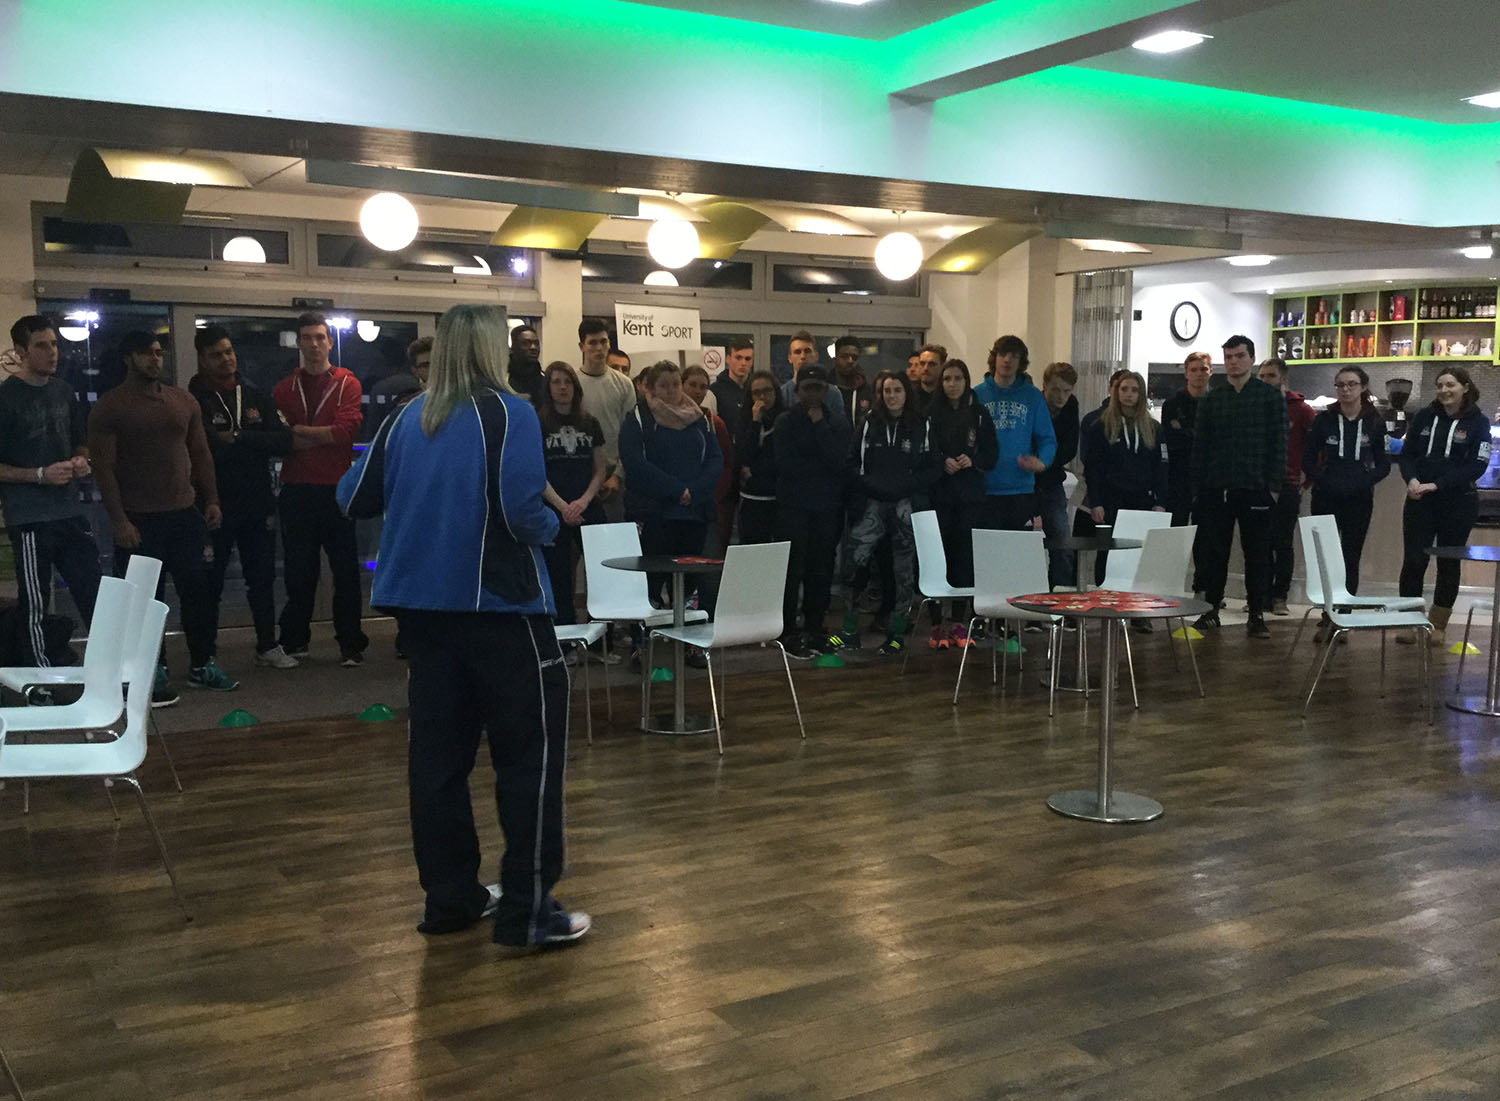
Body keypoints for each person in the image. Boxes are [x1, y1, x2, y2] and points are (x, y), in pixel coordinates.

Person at [337, 303, 588, 950]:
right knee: (528, 762)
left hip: (423, 617)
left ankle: (450, 899)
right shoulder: (512, 412)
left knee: (438, 763)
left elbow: (351, 496)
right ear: (490, 349)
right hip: (502, 611)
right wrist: (551, 527)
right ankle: (528, 912)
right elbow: (520, 510)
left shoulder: (404, 417)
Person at [90, 330, 238, 696]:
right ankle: (151, 669)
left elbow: (200, 454)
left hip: (184, 513)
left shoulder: (182, 401)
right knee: (143, 601)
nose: (155, 359)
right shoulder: (110, 406)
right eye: (146, 353)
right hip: (139, 518)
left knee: (198, 593)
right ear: (129, 358)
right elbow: (104, 468)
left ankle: (202, 663)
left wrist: (212, 499)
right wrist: (119, 520)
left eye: (158, 353)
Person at [189, 324, 298, 670]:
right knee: (210, 583)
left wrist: (239, 437)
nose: (226, 359)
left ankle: (267, 645)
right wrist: (247, 441)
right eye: (216, 355)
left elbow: (284, 441)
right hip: (213, 504)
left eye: (229, 352)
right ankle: (205, 654)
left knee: (262, 579)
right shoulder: (193, 400)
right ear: (202, 359)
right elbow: (205, 447)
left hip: (257, 502)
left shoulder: (254, 395)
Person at [0, 315, 102, 668]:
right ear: (21, 351)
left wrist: (81, 461)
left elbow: (80, 441)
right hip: (29, 516)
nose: (52, 352)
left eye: (55, 344)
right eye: (42, 345)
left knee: (94, 590)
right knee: (35, 601)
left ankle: (107, 669)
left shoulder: (63, 391)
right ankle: (39, 678)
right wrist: (38, 475)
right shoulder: (5, 398)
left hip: (69, 510)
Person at [272, 312, 368, 665]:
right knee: (299, 572)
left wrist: (301, 432)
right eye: (307, 338)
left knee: (346, 571)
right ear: (298, 343)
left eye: (320, 337)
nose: (314, 344)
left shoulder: (347, 383)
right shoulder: (283, 388)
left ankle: (351, 644)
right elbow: (282, 439)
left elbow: (344, 433)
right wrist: (321, 435)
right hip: (297, 489)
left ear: (329, 342)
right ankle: (295, 640)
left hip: (337, 489)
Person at [618, 361, 722, 659]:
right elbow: (635, 464)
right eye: (664, 385)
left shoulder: (699, 418)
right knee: (649, 584)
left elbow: (715, 459)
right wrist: (677, 490)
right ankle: (643, 647)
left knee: (691, 586)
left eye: (675, 384)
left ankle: (691, 644)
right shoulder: (638, 419)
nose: (671, 390)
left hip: (694, 515)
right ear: (649, 389)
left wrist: (694, 491)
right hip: (655, 515)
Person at [1189, 335, 1287, 639]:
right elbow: (1200, 446)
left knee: (1256, 554)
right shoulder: (1213, 398)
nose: (1233, 362)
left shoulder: (1269, 396)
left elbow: (1279, 444)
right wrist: (1199, 487)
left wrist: (1273, 487)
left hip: (1256, 487)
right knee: (1214, 552)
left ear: (1251, 359)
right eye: (1228, 357)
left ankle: (1256, 614)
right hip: (1216, 487)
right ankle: (1211, 611)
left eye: (1239, 356)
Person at [842, 371, 935, 655]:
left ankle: (897, 635)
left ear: (906, 393)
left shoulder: (921, 424)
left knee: (903, 573)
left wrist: (908, 486)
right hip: (872, 504)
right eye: (886, 391)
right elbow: (852, 462)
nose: (892, 396)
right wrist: (869, 486)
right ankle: (849, 631)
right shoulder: (869, 422)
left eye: (897, 390)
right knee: (854, 565)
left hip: (905, 505)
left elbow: (932, 467)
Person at [1396, 367, 1490, 647]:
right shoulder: (1424, 416)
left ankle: (1438, 624)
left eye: (1450, 385)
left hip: (1458, 503)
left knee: (1448, 562)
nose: (1444, 390)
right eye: (1440, 385)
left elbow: (1477, 465)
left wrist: (1437, 485)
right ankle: (1409, 620)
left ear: (1465, 387)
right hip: (1419, 501)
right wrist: (1411, 479)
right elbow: (1407, 455)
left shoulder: (1479, 422)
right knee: (1414, 560)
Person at [774, 363, 850, 658]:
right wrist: (819, 460)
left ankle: (815, 627)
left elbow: (838, 462)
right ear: (797, 391)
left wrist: (819, 427)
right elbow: (785, 464)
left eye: (819, 388)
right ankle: (788, 629)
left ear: (826, 390)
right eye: (807, 388)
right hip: (793, 507)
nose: (813, 394)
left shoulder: (837, 422)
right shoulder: (785, 421)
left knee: (821, 569)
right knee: (791, 570)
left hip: (826, 507)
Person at [1302, 365, 1390, 596]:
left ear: (1363, 387)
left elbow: (1384, 465)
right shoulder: (1324, 420)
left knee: (1351, 555)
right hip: (1325, 496)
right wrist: (1323, 480)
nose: (1345, 389)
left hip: (1359, 498)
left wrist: (1364, 481)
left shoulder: (1375, 422)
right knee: (1325, 555)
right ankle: (1326, 608)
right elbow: (1307, 459)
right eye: (1340, 385)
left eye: (1352, 384)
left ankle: (1346, 606)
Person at [927, 359, 997, 647]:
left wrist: (973, 460)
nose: (952, 384)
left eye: (957, 378)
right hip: (939, 494)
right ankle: (936, 623)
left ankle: (958, 621)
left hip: (969, 496)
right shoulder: (931, 412)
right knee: (937, 557)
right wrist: (941, 461)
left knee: (964, 557)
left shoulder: (979, 413)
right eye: (947, 379)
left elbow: (992, 454)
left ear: (967, 381)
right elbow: (924, 450)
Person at [535, 361, 606, 626]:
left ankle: (601, 633)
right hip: (553, 507)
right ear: (548, 388)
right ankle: (564, 635)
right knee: (558, 575)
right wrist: (562, 506)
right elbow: (536, 473)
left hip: (587, 504)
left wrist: (583, 502)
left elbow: (600, 470)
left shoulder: (590, 422)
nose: (563, 387)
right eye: (556, 382)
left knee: (602, 570)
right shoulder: (538, 422)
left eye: (567, 382)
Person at [1082, 369, 1167, 585]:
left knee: (1139, 554)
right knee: (1107, 553)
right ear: (1116, 392)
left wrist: (1160, 501)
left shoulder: (1154, 428)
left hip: (1142, 501)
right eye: (1124, 389)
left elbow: (1161, 467)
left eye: (1134, 390)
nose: (1129, 394)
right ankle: (1104, 597)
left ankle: (1137, 603)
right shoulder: (1100, 426)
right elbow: (1092, 468)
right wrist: (1096, 502)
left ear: (1141, 394)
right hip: (1111, 501)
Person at [973, 335, 1055, 531]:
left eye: (1014, 356)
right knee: (988, 547)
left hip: (1020, 488)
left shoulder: (1033, 396)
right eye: (1003, 354)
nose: (1007, 360)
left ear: (1021, 362)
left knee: (1018, 547)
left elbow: (1047, 438)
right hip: (984, 488)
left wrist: (1043, 461)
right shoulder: (977, 395)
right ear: (994, 358)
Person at [1258, 357, 1315, 615]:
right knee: (1259, 542)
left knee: (1282, 542)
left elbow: (1317, 447)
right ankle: (1260, 595)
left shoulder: (1301, 410)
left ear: (1283, 378)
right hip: (1258, 484)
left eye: (1270, 375)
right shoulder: (1253, 406)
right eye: (1261, 376)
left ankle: (1280, 596)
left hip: (1288, 485)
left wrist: (1308, 480)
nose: (1265, 380)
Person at [573, 318, 637, 523]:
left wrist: (618, 475)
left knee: (616, 536)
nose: (599, 348)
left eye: (603, 341)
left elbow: (631, 435)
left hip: (615, 476)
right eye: (593, 343)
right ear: (582, 346)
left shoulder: (624, 384)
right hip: (580, 475)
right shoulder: (572, 383)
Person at [1162, 351, 1213, 592]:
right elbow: (1173, 441)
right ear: (1186, 373)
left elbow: (1214, 442)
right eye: (1193, 370)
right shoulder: (1173, 404)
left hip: (1207, 480)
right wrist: (1195, 437)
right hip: (1178, 479)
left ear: (1210, 372)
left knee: (1206, 539)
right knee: (1176, 535)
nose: (1198, 374)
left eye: (1203, 369)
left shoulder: (1215, 402)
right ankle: (1171, 586)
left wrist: (1185, 431)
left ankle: (1203, 588)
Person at [1035, 362, 1079, 589]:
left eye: (1066, 391)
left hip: (1051, 480)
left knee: (1063, 543)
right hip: (1026, 481)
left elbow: (1070, 448)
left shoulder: (1071, 406)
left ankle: (1059, 596)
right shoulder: (1033, 403)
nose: (1061, 396)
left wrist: (1043, 461)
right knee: (1023, 542)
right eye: (1055, 390)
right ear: (1044, 386)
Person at [682, 365, 734, 553]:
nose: (697, 391)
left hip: (707, 503)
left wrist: (715, 494)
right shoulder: (668, 419)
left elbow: (726, 463)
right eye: (692, 385)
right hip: (677, 499)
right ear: (682, 385)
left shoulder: (715, 423)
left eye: (703, 387)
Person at [734, 371, 784, 545]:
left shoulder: (785, 419)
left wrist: (754, 469)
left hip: (778, 498)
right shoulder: (745, 420)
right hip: (751, 499)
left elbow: (782, 459)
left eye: (767, 391)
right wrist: (755, 421)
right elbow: (743, 456)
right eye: (756, 393)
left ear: (776, 392)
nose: (762, 397)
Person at [778, 329, 845, 423]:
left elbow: (840, 427)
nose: (803, 356)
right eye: (797, 352)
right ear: (789, 358)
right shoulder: (782, 394)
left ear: (816, 356)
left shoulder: (833, 393)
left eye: (807, 351)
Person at [368, 336, 428, 429]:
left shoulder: (453, 402)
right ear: (415, 370)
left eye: (436, 363)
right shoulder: (406, 406)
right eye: (425, 365)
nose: (434, 368)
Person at [711, 338, 754, 441]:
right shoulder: (715, 391)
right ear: (728, 359)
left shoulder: (756, 389)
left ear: (752, 362)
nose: (743, 363)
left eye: (747, 359)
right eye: (738, 358)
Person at [830, 336, 872, 428]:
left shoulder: (866, 390)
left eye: (854, 357)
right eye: (844, 356)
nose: (850, 361)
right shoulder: (826, 388)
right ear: (835, 359)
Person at [506, 324, 544, 403]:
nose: (533, 347)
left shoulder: (545, 381)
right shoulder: (503, 380)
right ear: (513, 347)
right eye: (526, 343)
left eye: (536, 343)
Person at [911, 343, 945, 417]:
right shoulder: (909, 397)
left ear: (942, 367)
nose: (925, 368)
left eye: (931, 364)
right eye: (922, 363)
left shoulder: (948, 397)